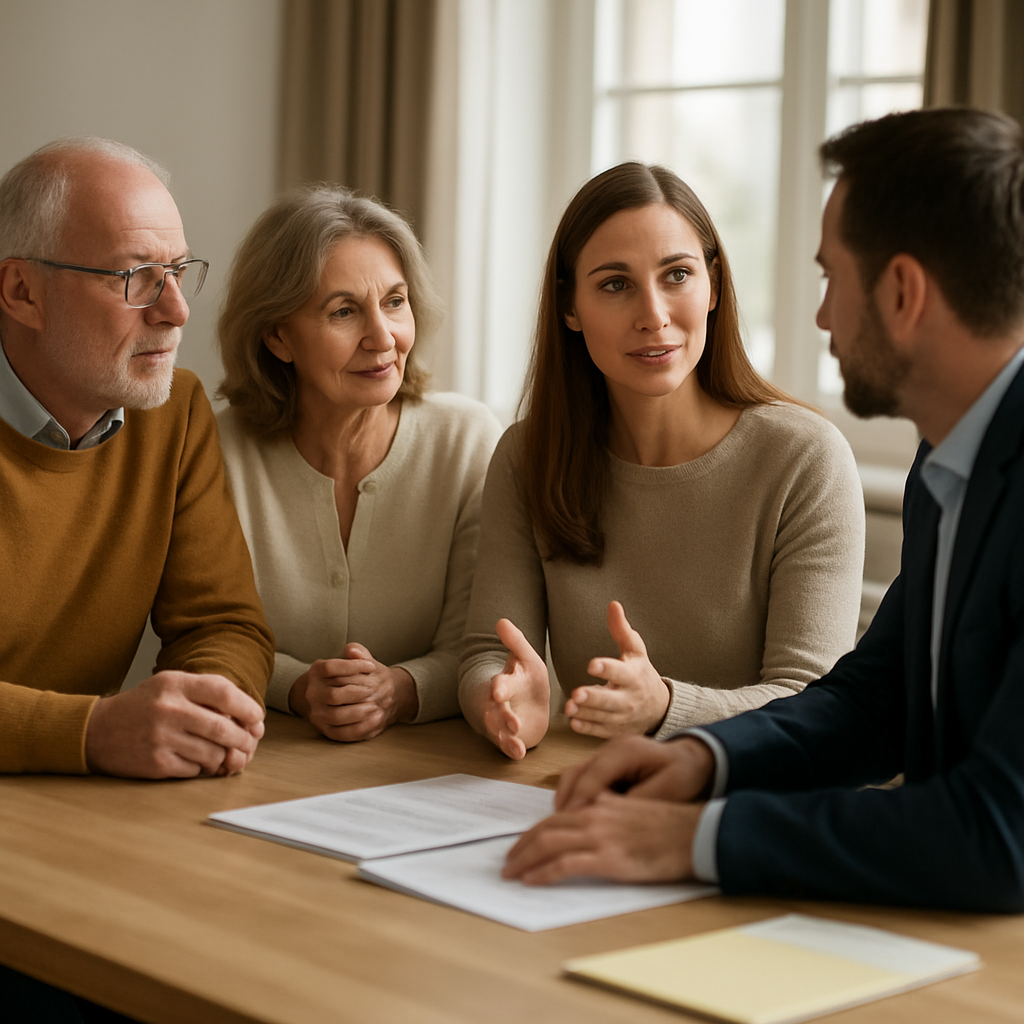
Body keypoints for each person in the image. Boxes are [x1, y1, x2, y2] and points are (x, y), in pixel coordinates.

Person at [503, 108, 1024, 914]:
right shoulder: (949, 455)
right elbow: (871, 699)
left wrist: (692, 841)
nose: (820, 317)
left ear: (901, 292)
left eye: (830, 278)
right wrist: (708, 761)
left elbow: (1000, 833)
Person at [459, 162, 864, 760]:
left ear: (714, 287)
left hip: (754, 802)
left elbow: (813, 702)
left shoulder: (805, 458)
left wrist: (666, 708)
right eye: (615, 284)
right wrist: (498, 698)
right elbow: (488, 650)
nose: (654, 313)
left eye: (677, 275)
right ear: (570, 307)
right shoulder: (527, 456)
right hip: (593, 788)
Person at [0, 138, 273, 780]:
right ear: (21, 291)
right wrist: (89, 732)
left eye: (178, 272)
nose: (176, 311)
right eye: (135, 278)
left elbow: (223, 622)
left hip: (81, 808)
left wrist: (205, 710)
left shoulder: (174, 410)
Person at [216, 185, 502, 741]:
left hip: (428, 768)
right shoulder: (215, 449)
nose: (383, 338)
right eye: (344, 311)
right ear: (278, 336)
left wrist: (399, 690)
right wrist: (297, 688)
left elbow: (480, 646)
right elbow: (197, 632)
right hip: (254, 757)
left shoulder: (467, 441)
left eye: (395, 302)